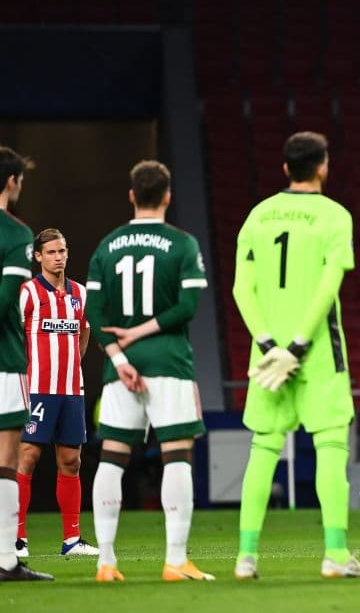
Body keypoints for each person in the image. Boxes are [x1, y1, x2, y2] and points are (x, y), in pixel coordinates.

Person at [232, 131, 360, 580]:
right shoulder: (335, 216)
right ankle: (335, 555)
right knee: (331, 447)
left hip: (267, 353)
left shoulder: (258, 215)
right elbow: (329, 285)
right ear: (323, 167)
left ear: (285, 169)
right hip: (316, 352)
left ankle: (245, 557)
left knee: (262, 449)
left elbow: (242, 288)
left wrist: (268, 345)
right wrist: (297, 345)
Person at [87, 159, 213, 582]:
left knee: (112, 459)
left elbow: (94, 311)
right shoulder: (182, 244)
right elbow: (188, 308)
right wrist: (140, 334)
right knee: (177, 457)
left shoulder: (107, 245)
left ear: (131, 196)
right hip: (169, 362)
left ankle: (106, 562)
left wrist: (120, 356)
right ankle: (175, 560)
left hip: (119, 371)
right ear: (168, 197)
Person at [16, 228, 100, 557]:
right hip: (36, 389)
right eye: (51, 252)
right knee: (28, 458)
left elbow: (84, 331)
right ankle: (16, 539)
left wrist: (71, 365)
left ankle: (72, 541)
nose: (58, 257)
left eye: (62, 251)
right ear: (38, 257)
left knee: (71, 461)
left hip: (71, 391)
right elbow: (12, 334)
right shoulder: (29, 293)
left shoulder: (79, 293)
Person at [0, 146, 53, 581]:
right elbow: (5, 302)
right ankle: (4, 559)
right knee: (7, 458)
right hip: (3, 361)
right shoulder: (17, 235)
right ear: (12, 182)